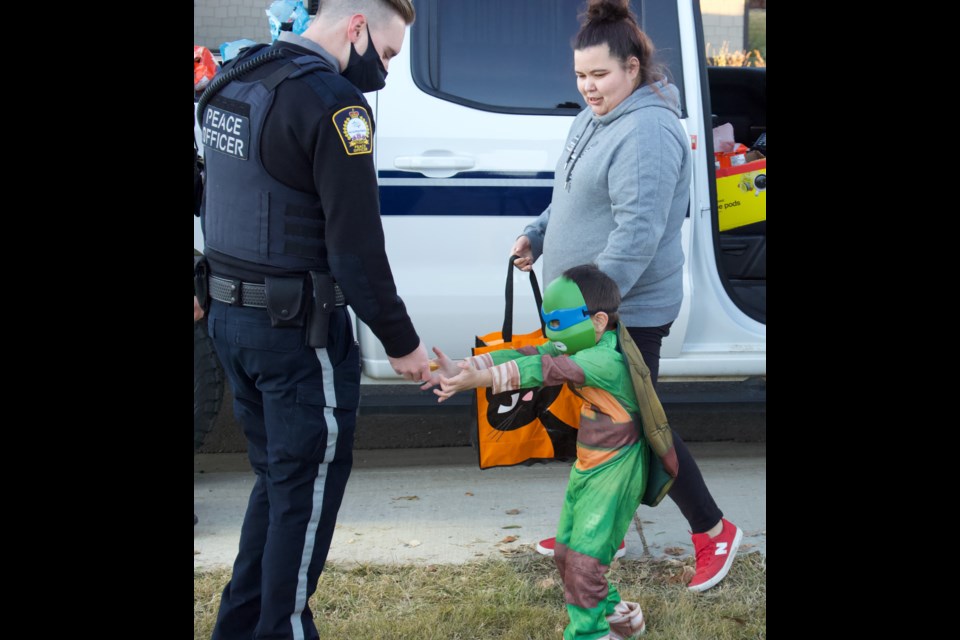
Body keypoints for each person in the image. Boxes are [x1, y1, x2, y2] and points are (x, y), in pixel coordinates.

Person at [195, 2, 429, 639]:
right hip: (298, 336)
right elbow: (355, 249)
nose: (382, 71)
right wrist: (403, 343)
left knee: (277, 487)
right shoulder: (335, 105)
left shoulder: (234, 77)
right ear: (356, 25)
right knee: (302, 500)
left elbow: (210, 190)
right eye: (385, 53)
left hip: (232, 325)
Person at [509, 0, 741, 593]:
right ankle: (587, 532)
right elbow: (570, 193)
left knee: (638, 427)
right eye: (580, 75)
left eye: (600, 75)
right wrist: (539, 233)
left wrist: (589, 310)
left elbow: (636, 236)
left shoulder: (647, 131)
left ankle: (713, 530)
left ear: (633, 68)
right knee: (608, 427)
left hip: (627, 313)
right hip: (595, 313)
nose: (588, 87)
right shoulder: (595, 118)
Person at [432, 264, 650, 640]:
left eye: (559, 323)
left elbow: (538, 368)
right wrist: (465, 367)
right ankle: (620, 619)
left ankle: (589, 634)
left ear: (598, 321)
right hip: (590, 465)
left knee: (584, 562)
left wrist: (477, 380)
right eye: (548, 322)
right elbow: (527, 351)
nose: (552, 332)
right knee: (567, 555)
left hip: (617, 470)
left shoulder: (602, 359)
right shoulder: (586, 342)